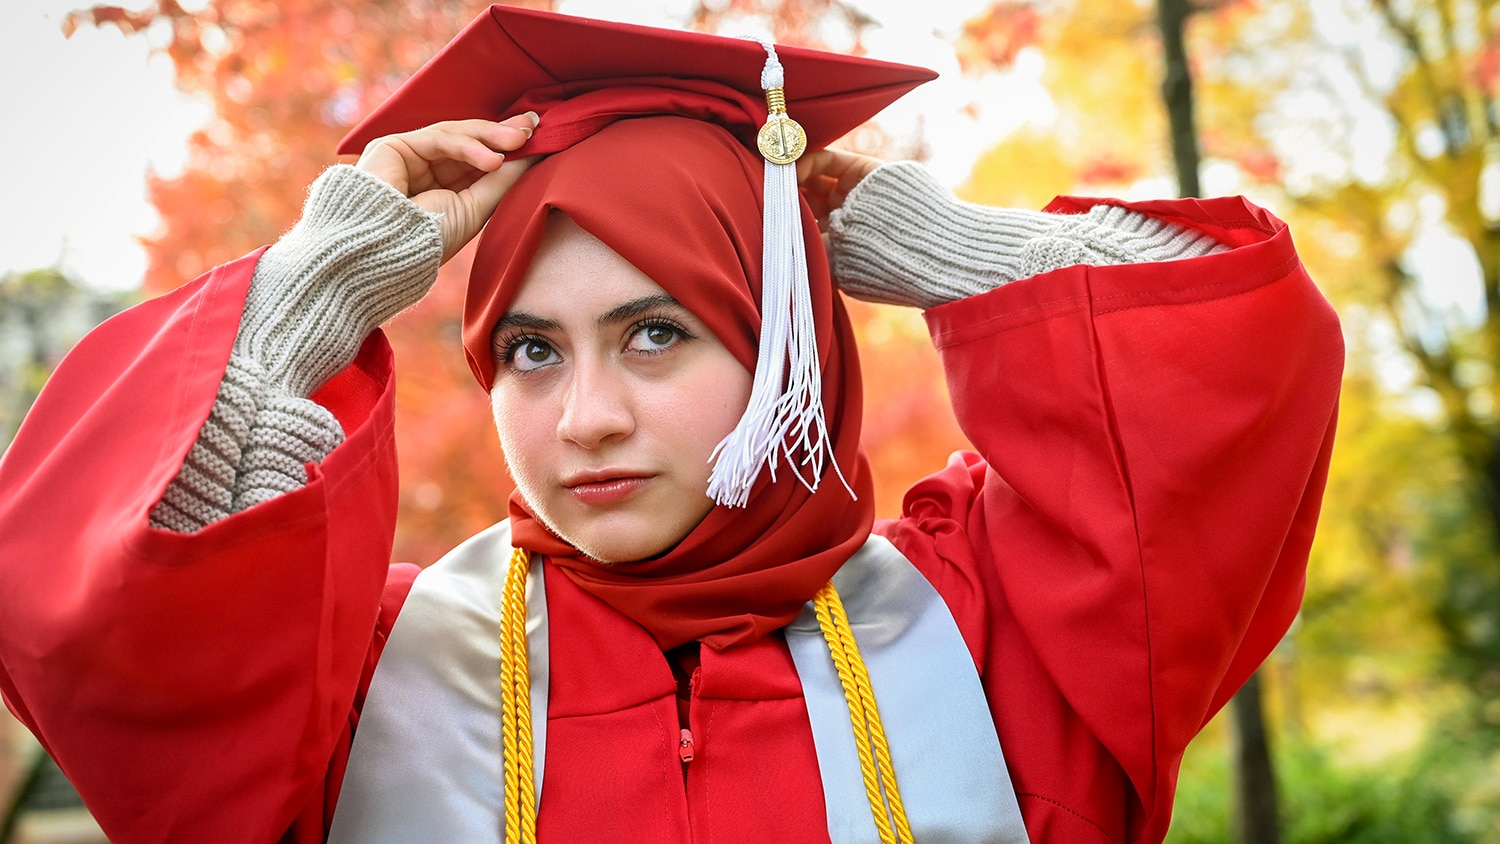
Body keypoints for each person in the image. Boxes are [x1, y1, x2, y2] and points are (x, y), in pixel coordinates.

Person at [0, 6, 1343, 843]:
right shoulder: (371, 675)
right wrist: (321, 283)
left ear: (787, 346)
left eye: (659, 332)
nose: (584, 419)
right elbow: (113, 615)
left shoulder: (996, 633)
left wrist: (909, 239)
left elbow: (1217, 360)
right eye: (530, 350)